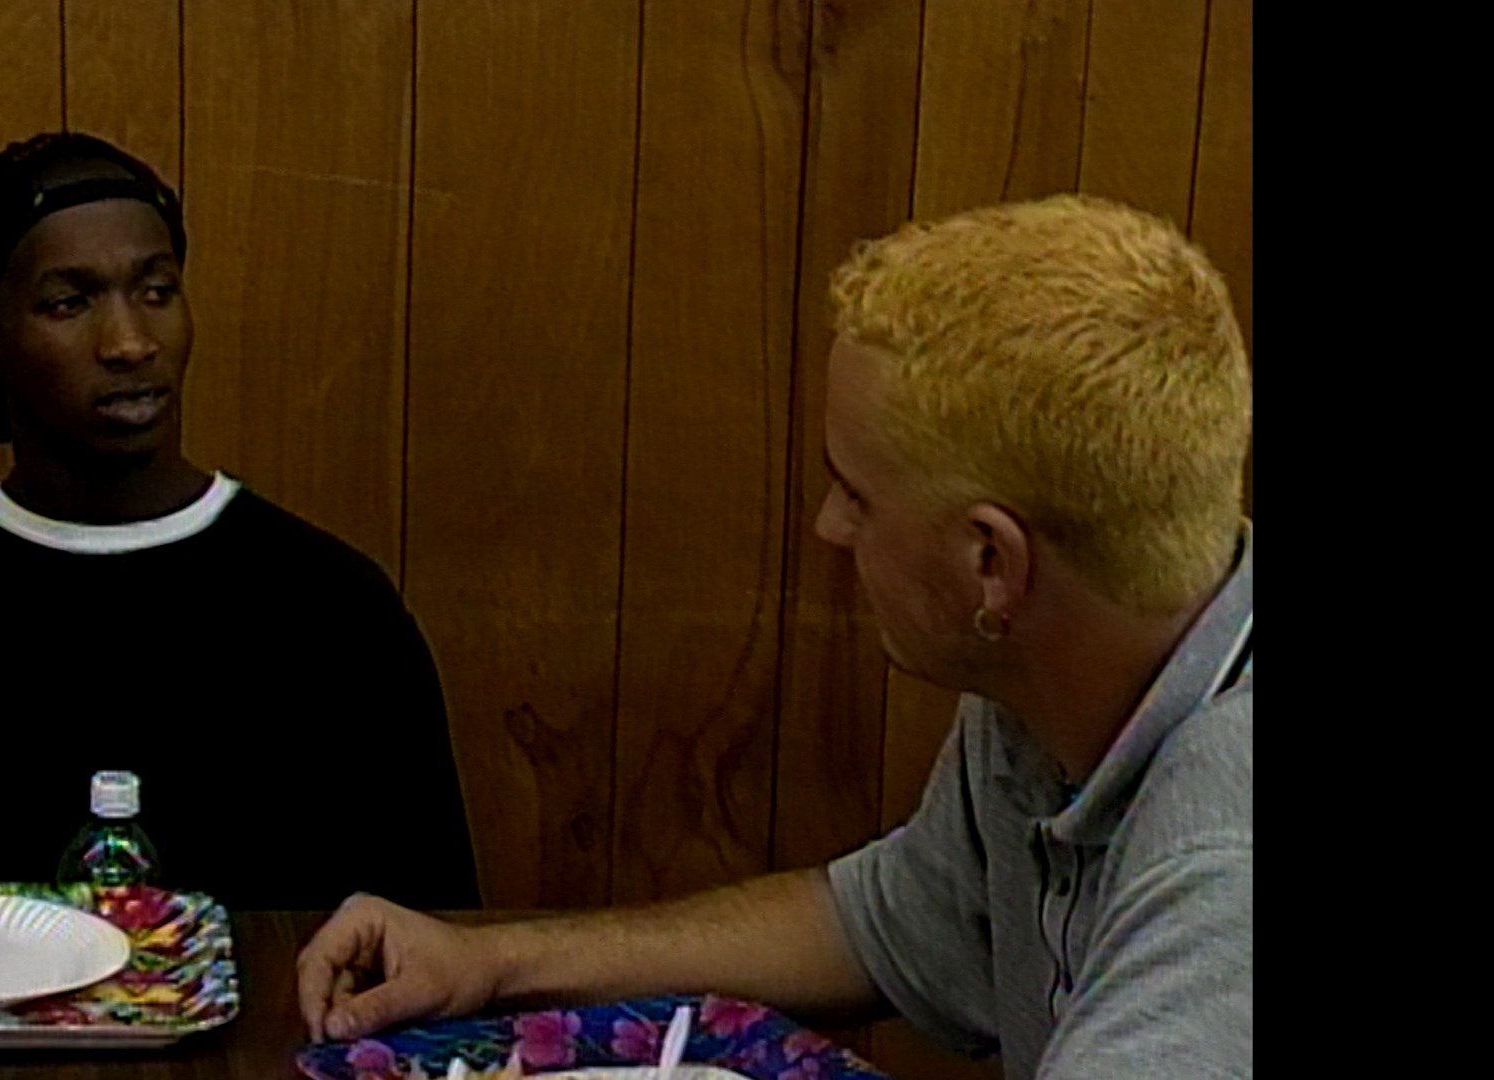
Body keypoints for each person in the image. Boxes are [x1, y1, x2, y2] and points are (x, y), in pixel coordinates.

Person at [295, 194, 1252, 1078]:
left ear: (990, 564)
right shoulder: (1043, 673)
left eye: (856, 493)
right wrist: (493, 963)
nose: (831, 526)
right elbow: (879, 929)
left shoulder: (1224, 870)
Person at [0, 133, 479, 912]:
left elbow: (431, 933)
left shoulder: (335, 610)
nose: (130, 343)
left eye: (156, 291)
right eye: (70, 303)